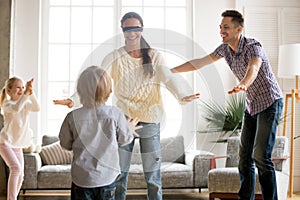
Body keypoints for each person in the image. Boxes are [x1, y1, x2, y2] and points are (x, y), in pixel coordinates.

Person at [54, 12, 199, 200]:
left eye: (135, 29)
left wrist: (183, 94)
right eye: (127, 29)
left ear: (142, 29)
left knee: (153, 175)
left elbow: (168, 77)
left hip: (150, 120)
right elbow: (97, 79)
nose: (131, 33)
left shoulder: (154, 56)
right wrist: (74, 100)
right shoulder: (114, 57)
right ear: (122, 30)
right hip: (123, 120)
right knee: (119, 174)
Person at [171, 10, 283, 200]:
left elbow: (253, 68)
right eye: (221, 27)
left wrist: (243, 84)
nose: (222, 31)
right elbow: (199, 62)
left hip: (270, 102)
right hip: (252, 105)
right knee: (244, 158)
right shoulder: (224, 49)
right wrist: (171, 71)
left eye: (226, 28)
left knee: (261, 157)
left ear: (239, 29)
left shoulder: (253, 46)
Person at [59, 66, 141, 200]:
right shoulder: (115, 114)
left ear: (80, 90)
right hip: (107, 178)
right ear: (109, 90)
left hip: (81, 179)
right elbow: (125, 140)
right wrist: (129, 128)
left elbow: (65, 144)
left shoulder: (72, 117)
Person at [0, 77, 40, 200]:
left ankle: (13, 198)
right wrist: (26, 95)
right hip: (5, 143)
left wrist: (31, 93)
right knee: (15, 168)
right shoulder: (7, 104)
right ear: (8, 90)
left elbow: (37, 108)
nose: (21, 90)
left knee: (21, 175)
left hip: (17, 145)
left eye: (23, 87)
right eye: (18, 87)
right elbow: (16, 108)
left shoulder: (26, 103)